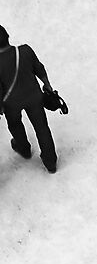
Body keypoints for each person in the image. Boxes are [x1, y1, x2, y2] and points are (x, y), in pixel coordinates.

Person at [0, 24, 62, 171]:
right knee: (42, 128)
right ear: (8, 37)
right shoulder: (25, 50)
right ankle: (50, 162)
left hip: (11, 103)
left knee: (14, 124)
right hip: (34, 97)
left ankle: (24, 148)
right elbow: (39, 68)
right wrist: (47, 85)